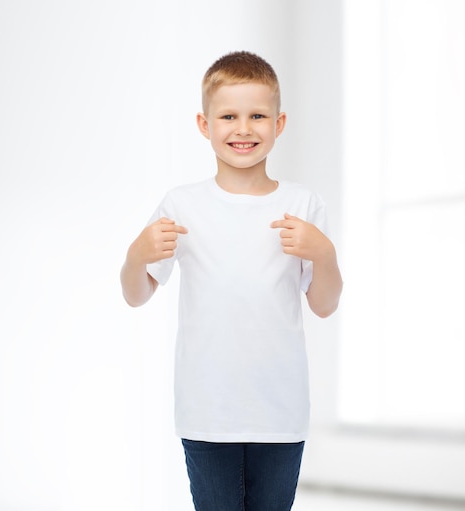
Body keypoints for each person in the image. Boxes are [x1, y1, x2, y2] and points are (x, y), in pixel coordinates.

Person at [120, 50, 343, 511]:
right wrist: (135, 256)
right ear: (205, 125)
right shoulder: (181, 204)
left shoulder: (303, 204)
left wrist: (325, 254)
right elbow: (136, 294)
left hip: (280, 412)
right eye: (229, 116)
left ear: (279, 124)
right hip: (207, 411)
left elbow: (324, 304)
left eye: (257, 115)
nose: (243, 128)